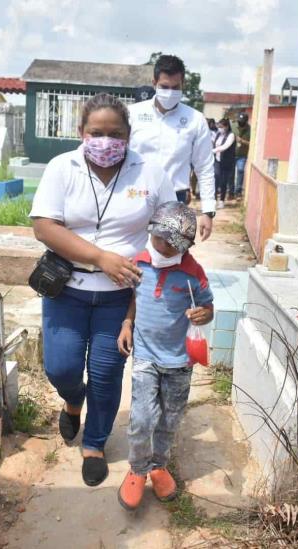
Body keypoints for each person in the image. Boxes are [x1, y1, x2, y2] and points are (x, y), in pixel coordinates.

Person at [30, 93, 176, 487]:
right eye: (97, 132)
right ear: (82, 133)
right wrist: (100, 258)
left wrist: (170, 251)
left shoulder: (150, 173)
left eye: (115, 134)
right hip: (67, 288)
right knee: (60, 367)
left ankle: (94, 443)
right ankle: (72, 399)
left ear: (128, 135)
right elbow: (44, 226)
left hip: (120, 296)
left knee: (107, 373)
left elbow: (170, 228)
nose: (106, 141)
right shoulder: (63, 167)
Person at [115, 201, 214, 510]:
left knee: (170, 420)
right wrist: (127, 323)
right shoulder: (140, 263)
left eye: (173, 246)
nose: (164, 249)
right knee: (142, 418)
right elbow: (134, 298)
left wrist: (203, 314)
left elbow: (208, 307)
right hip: (145, 355)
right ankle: (137, 468)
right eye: (160, 241)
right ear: (152, 233)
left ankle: (158, 465)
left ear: (184, 246)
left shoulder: (193, 273)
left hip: (180, 361)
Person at [129, 54, 216, 241]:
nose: (170, 92)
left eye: (175, 87)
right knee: (132, 256)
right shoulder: (133, 114)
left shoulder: (195, 120)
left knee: (171, 259)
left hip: (175, 199)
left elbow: (204, 166)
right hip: (135, 195)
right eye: (164, 87)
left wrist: (208, 211)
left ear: (183, 84)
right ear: (154, 83)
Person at [212, 118, 236, 208]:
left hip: (227, 162)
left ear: (226, 126)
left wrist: (213, 150)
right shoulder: (218, 134)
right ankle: (213, 200)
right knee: (215, 179)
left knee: (223, 181)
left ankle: (221, 200)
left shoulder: (231, 135)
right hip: (217, 161)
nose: (220, 128)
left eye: (221, 127)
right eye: (219, 126)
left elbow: (225, 146)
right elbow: (213, 142)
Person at [234, 112, 251, 197]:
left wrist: (242, 141)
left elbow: (252, 143)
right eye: (239, 121)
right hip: (232, 154)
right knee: (230, 173)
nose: (240, 123)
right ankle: (230, 191)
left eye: (242, 121)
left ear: (246, 121)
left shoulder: (250, 130)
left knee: (240, 171)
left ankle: (238, 191)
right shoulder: (234, 127)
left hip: (242, 155)